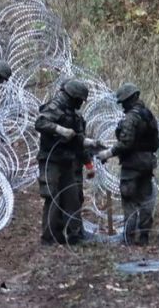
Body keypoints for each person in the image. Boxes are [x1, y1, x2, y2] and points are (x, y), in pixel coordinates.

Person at [34, 79, 102, 245]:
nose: (80, 103)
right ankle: (49, 238)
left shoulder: (75, 115)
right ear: (72, 96)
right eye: (79, 99)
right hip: (51, 160)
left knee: (72, 198)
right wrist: (60, 129)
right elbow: (40, 123)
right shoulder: (54, 107)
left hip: (67, 161)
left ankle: (75, 236)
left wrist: (91, 149)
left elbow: (78, 141)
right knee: (53, 198)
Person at [95, 83, 159, 246]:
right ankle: (144, 237)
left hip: (132, 165)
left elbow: (125, 143)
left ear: (131, 99)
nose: (123, 105)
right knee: (146, 200)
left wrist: (108, 153)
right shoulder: (148, 115)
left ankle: (129, 238)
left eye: (124, 101)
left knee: (129, 199)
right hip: (147, 163)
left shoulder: (131, 118)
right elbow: (156, 143)